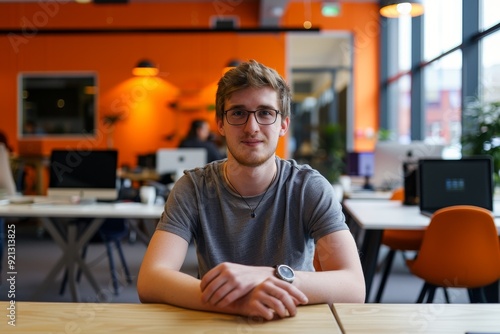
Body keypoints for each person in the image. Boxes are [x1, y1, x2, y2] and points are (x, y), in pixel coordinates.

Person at [137, 60, 365, 320]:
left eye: (266, 112)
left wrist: (268, 275)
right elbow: (151, 279)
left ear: (283, 125)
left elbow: (354, 286)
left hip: (293, 322)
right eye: (237, 113)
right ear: (220, 123)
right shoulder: (194, 188)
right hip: (217, 323)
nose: (251, 127)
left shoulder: (308, 188)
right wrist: (237, 302)